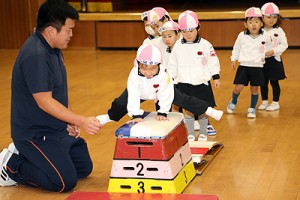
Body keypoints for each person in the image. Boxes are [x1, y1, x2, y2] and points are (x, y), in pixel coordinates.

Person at [0, 0, 102, 192]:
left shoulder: (54, 48)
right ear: (51, 31)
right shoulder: (36, 55)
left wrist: (69, 120)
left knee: (83, 167)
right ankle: (11, 165)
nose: (72, 34)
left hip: (54, 129)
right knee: (63, 182)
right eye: (69, 30)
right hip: (34, 134)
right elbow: (45, 102)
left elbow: (59, 91)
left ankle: (37, 156)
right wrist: (81, 120)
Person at [100, 44, 223, 141]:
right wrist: (136, 115)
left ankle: (209, 110)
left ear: (159, 65)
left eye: (152, 69)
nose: (148, 72)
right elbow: (133, 94)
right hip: (141, 91)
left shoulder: (164, 73)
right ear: (138, 64)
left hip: (160, 90)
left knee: (183, 100)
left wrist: (162, 112)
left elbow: (166, 93)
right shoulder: (134, 74)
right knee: (120, 103)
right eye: (143, 68)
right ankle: (109, 117)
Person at [167, 10, 221, 141]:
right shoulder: (178, 45)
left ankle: (204, 129)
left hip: (201, 82)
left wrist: (216, 76)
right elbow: (173, 63)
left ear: (198, 28)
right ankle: (190, 132)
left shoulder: (205, 44)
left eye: (191, 30)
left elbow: (212, 61)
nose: (188, 34)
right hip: (183, 82)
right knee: (189, 110)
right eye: (184, 31)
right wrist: (170, 79)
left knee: (203, 109)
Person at [227, 7, 271, 118]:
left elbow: (270, 46)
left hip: (257, 67)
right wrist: (233, 59)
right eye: (250, 22)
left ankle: (251, 108)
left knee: (254, 89)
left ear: (261, 23)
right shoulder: (242, 36)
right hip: (244, 67)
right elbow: (236, 48)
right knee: (238, 87)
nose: (254, 25)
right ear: (245, 24)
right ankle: (233, 100)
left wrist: (270, 52)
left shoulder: (265, 35)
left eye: (256, 21)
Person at [258, 2, 288, 111]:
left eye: (274, 17)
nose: (271, 20)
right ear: (262, 17)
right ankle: (265, 101)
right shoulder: (258, 30)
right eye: (268, 17)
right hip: (261, 61)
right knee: (263, 82)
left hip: (274, 61)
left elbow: (284, 44)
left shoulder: (279, 31)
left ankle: (275, 102)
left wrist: (274, 51)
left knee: (274, 82)